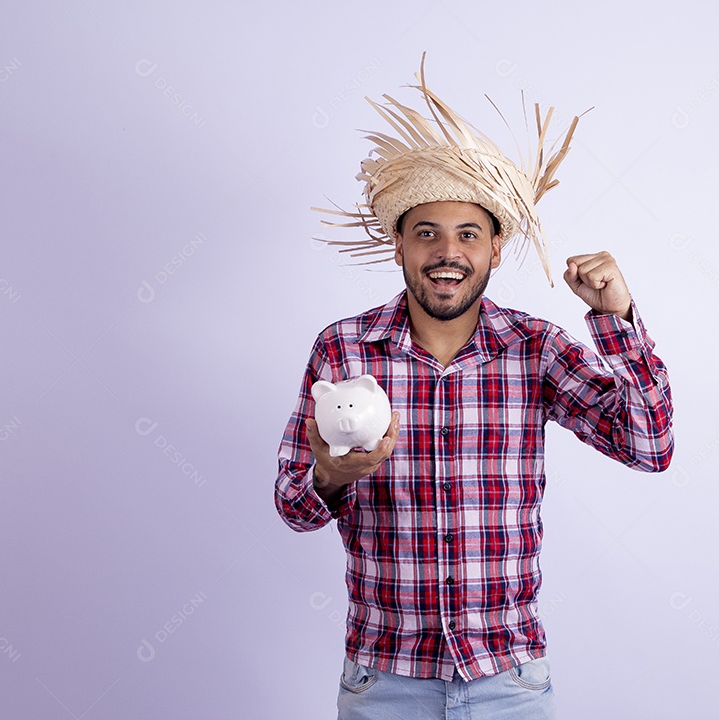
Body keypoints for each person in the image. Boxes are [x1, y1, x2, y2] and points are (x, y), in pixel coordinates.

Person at [275, 57, 673, 720]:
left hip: (508, 681)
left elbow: (649, 447)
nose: (446, 252)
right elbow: (294, 506)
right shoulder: (343, 348)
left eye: (468, 234)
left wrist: (615, 320)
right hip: (386, 678)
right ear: (398, 244)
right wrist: (332, 474)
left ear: (494, 248)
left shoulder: (536, 347)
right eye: (426, 232)